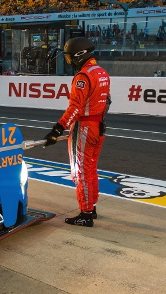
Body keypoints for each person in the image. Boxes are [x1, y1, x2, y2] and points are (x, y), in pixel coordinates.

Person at [43, 37, 111, 227]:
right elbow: (107, 102)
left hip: (84, 127)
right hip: (99, 126)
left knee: (79, 171)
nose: (68, 61)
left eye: (69, 57)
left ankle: (86, 213)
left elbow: (75, 108)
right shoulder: (101, 72)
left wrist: (56, 130)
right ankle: (92, 206)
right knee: (90, 169)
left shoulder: (83, 76)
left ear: (79, 55)